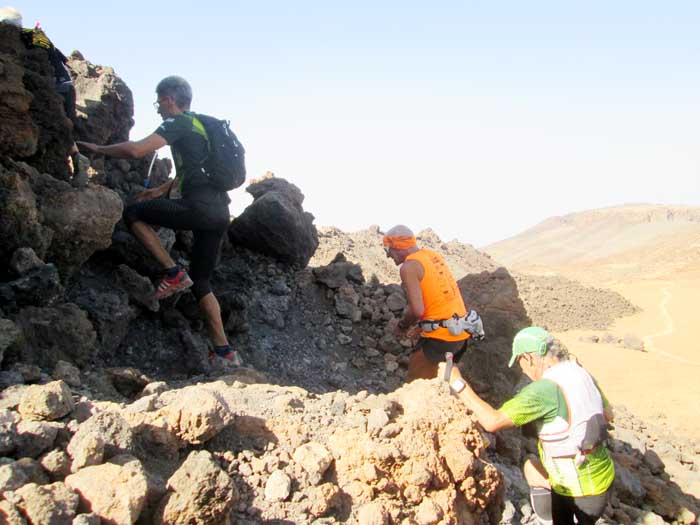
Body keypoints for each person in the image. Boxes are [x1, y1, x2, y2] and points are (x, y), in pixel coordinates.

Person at [77, 75, 241, 364]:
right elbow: (192, 171)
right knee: (202, 281)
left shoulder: (176, 123)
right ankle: (224, 352)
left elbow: (137, 150)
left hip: (198, 208)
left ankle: (172, 272)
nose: (157, 108)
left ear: (168, 99)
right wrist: (159, 190)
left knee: (133, 213)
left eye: (158, 102)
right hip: (219, 213)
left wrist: (98, 149)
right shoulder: (201, 124)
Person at [440, 326, 615, 525]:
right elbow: (608, 415)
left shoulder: (544, 390)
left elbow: (492, 421)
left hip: (581, 491)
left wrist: (458, 382)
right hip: (603, 475)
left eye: (519, 362)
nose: (522, 369)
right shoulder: (580, 372)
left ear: (529, 358)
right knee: (531, 467)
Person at [0, 6, 87, 176]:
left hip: (55, 86)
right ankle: (76, 158)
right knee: (62, 127)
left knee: (51, 122)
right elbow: (60, 58)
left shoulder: (17, 38)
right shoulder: (35, 36)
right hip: (66, 85)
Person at [382, 225, 471, 381]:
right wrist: (421, 327)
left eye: (387, 251)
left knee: (414, 385)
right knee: (442, 382)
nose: (388, 257)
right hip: (460, 333)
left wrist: (402, 326)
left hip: (442, 338)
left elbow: (417, 310)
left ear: (396, 247)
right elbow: (439, 299)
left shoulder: (409, 267)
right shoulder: (432, 256)